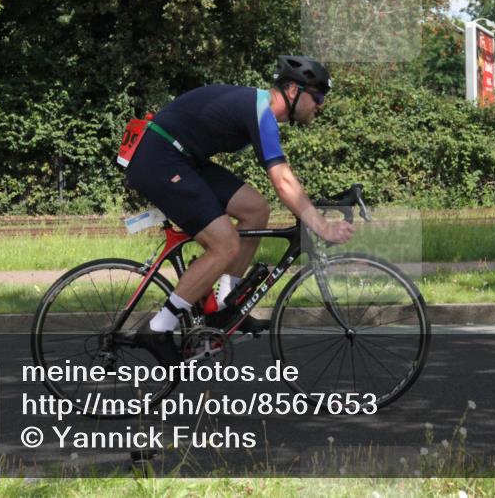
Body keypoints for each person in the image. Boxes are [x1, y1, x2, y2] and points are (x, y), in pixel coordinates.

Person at [125, 55, 353, 366]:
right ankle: (159, 327)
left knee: (255, 209)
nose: (320, 105)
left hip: (183, 158)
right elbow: (283, 181)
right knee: (226, 243)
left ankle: (225, 304)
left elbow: (283, 181)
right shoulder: (260, 111)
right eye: (318, 97)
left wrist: (310, 210)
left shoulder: (258, 109)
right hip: (160, 158)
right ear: (292, 90)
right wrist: (321, 225)